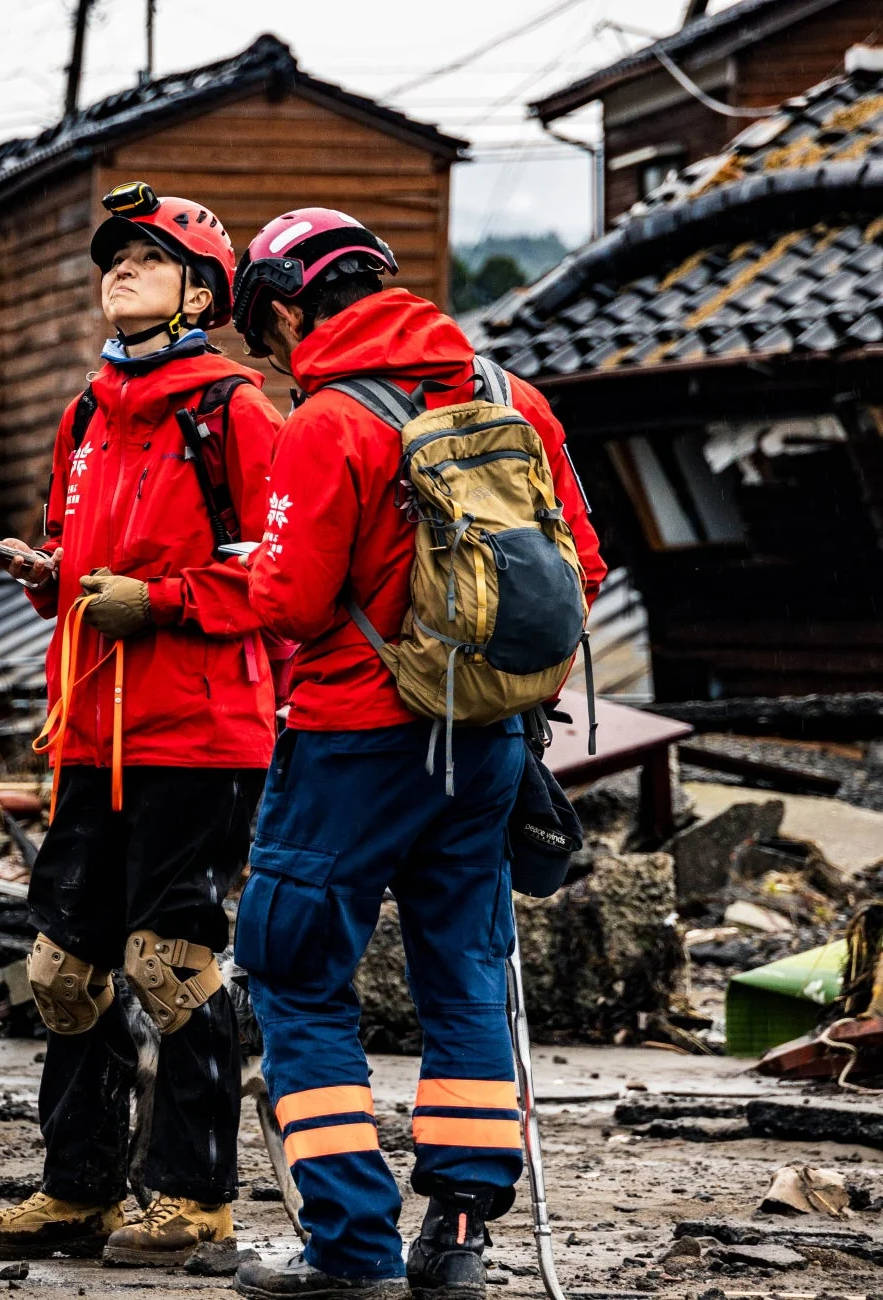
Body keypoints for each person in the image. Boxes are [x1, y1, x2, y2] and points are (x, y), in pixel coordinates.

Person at [214, 210, 606, 1300]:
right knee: (467, 975)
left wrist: (236, 574)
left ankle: (351, 1247)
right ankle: (460, 1239)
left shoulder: (331, 419)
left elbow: (291, 603)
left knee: (295, 971)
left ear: (291, 306)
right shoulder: (510, 395)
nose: (273, 361)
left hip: (353, 740)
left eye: (268, 336)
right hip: (488, 744)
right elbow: (586, 570)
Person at [0, 182, 284, 1268]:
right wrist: (47, 573)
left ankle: (192, 1197)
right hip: (88, 732)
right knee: (64, 970)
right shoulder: (87, 415)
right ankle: (80, 1187)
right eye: (114, 258)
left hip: (198, 735)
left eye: (145, 258)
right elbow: (75, 556)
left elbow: (283, 583)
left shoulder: (238, 412)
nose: (119, 271)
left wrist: (161, 602)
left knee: (171, 965)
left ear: (201, 291)